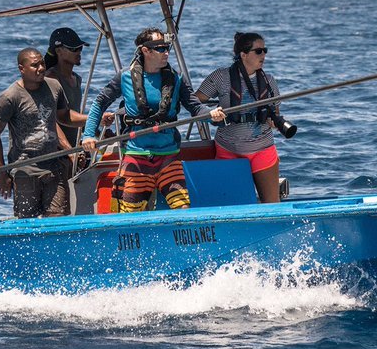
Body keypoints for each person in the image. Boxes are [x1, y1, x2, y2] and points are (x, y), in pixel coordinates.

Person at [81, 28, 225, 212]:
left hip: (168, 156)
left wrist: (212, 116)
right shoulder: (125, 77)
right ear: (145, 51)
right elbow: (99, 102)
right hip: (136, 156)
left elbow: (196, 107)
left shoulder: (176, 79)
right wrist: (88, 135)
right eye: (160, 48)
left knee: (183, 208)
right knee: (130, 214)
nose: (166, 52)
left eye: (167, 47)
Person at [0, 47, 78, 218]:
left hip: (54, 167)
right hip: (24, 172)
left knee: (58, 220)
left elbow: (63, 117)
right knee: (27, 224)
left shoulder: (54, 86)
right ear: (22, 69)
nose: (41, 68)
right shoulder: (10, 97)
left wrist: (95, 119)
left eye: (42, 63)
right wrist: (2, 173)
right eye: (35, 65)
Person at [195, 32, 284, 203]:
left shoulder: (270, 80)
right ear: (243, 55)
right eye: (259, 51)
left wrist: (274, 122)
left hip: (263, 148)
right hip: (229, 149)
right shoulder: (220, 76)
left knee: (272, 203)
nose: (264, 55)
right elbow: (194, 100)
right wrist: (208, 113)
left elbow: (275, 113)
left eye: (265, 50)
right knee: (231, 205)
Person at [43, 26, 91, 147]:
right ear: (59, 51)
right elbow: (53, 121)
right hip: (57, 149)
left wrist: (96, 130)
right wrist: (69, 152)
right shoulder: (51, 79)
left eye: (80, 47)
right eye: (74, 48)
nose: (79, 51)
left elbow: (76, 115)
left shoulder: (77, 79)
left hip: (74, 146)